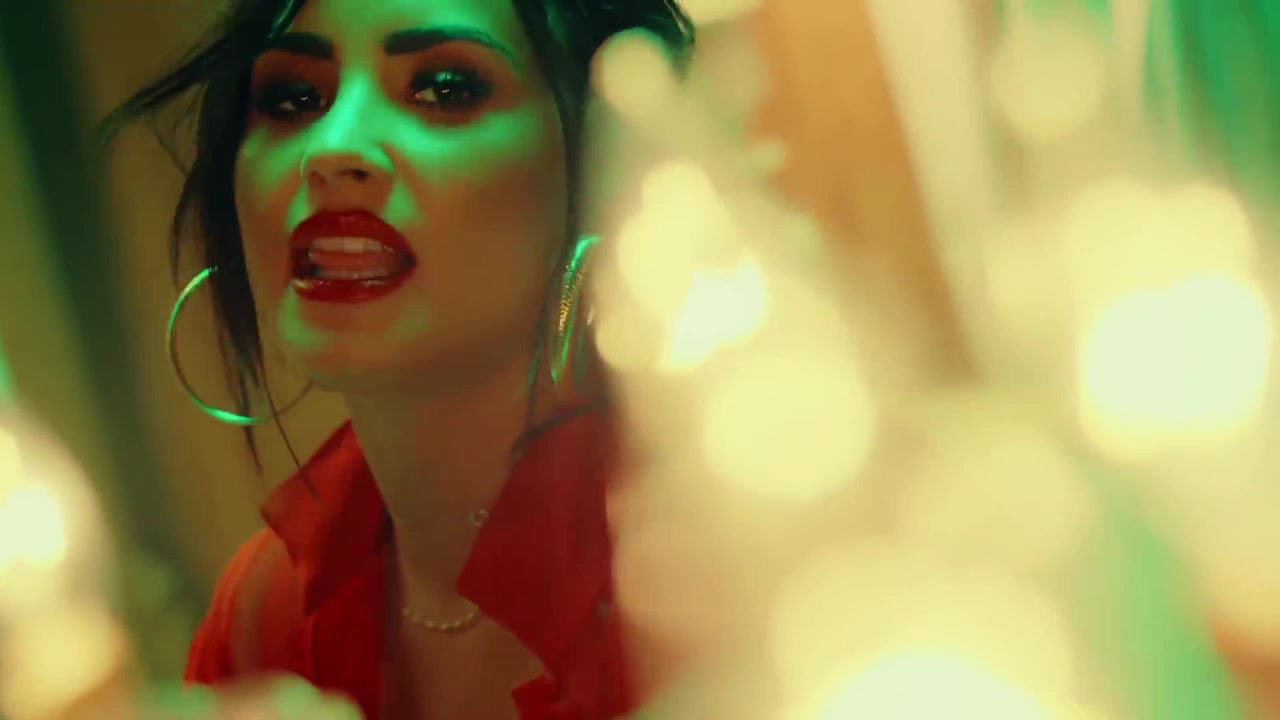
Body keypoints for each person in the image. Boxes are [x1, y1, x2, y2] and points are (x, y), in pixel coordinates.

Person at [102, 1, 694, 718]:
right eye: (294, 99)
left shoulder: (706, 554)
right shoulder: (260, 619)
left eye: (445, 88)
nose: (331, 148)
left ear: (604, 158)